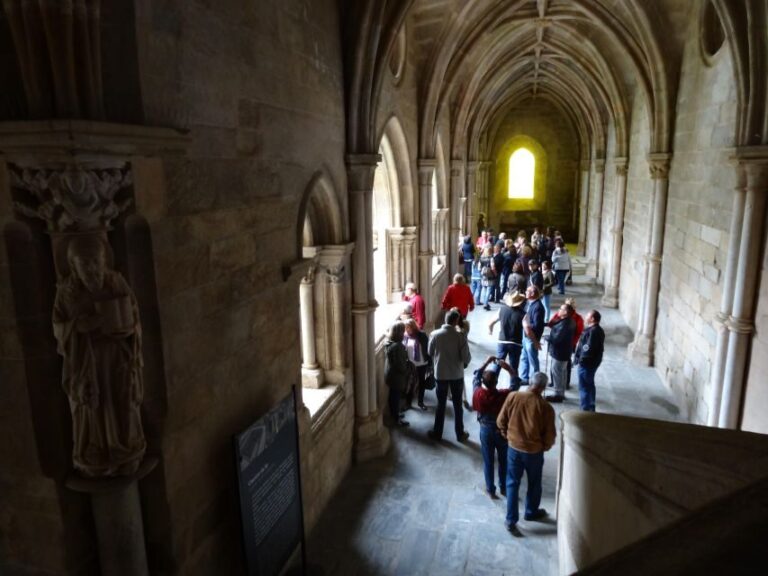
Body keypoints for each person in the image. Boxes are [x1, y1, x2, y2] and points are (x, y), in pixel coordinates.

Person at [53, 235, 146, 477]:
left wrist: (128, 328)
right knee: (94, 407)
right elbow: (58, 326)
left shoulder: (116, 282)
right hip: (86, 362)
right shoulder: (66, 294)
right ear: (74, 267)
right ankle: (96, 452)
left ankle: (126, 447)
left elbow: (134, 314)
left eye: (97, 262)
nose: (93, 269)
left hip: (118, 357)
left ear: (104, 261)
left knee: (122, 401)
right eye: (86, 265)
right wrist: (79, 326)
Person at [496, 372, 556, 535]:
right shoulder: (546, 408)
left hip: (514, 448)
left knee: (512, 483)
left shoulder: (513, 397)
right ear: (543, 388)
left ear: (530, 383)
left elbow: (501, 421)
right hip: (534, 452)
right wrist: (544, 447)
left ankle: (510, 520)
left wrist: (506, 435)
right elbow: (550, 436)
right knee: (534, 483)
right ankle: (530, 512)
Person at [472, 356, 516, 498]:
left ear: (484, 383)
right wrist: (508, 369)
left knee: (488, 461)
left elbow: (476, 377)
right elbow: (515, 385)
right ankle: (504, 488)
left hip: (485, 430)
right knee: (503, 460)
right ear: (496, 382)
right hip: (501, 431)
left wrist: (486, 362)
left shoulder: (478, 393)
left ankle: (491, 490)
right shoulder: (504, 395)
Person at [427, 310, 471, 442]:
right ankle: (460, 433)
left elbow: (430, 352)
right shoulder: (460, 336)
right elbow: (466, 358)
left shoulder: (435, 334)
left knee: (441, 404)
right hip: (456, 374)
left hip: (441, 374)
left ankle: (437, 433)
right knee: (458, 405)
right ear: (456, 321)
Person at [488, 292, 526, 384]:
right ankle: (513, 386)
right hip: (516, 343)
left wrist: (490, 331)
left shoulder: (502, 310)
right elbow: (527, 328)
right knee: (514, 367)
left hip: (502, 341)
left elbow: (491, 323)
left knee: (498, 363)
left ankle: (491, 383)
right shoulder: (523, 314)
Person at [574, 310, 605, 412]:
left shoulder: (593, 331)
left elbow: (588, 348)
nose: (585, 317)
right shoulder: (595, 330)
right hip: (591, 363)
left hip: (587, 364)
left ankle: (585, 409)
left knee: (584, 387)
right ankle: (590, 406)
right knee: (589, 385)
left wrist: (581, 360)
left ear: (592, 319)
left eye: (587, 315)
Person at [545, 304, 576, 402]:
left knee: (557, 373)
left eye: (561, 309)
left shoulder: (564, 324)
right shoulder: (569, 321)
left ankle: (558, 395)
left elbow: (557, 339)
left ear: (566, 312)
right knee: (562, 373)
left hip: (559, 353)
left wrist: (547, 338)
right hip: (565, 352)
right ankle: (561, 393)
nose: (559, 310)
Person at [384, 321, 410, 426]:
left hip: (390, 374)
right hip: (396, 376)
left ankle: (395, 414)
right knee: (395, 397)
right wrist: (407, 369)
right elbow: (400, 365)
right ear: (399, 333)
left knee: (393, 395)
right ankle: (396, 418)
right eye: (403, 331)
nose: (404, 333)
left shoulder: (390, 342)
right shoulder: (398, 347)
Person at [519, 286, 545, 385]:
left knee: (533, 360)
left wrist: (525, 324)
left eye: (527, 291)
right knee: (524, 357)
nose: (525, 292)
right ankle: (525, 378)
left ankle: (535, 381)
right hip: (525, 335)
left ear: (533, 294)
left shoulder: (538, 307)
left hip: (531, 337)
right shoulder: (530, 303)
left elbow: (537, 325)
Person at [403, 319, 431, 411]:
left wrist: (430, 364)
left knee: (421, 383)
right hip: (411, 364)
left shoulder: (421, 335)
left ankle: (420, 402)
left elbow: (428, 349)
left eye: (408, 327)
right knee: (410, 383)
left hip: (422, 363)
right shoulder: (406, 336)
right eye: (405, 328)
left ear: (413, 327)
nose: (407, 330)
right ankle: (408, 403)